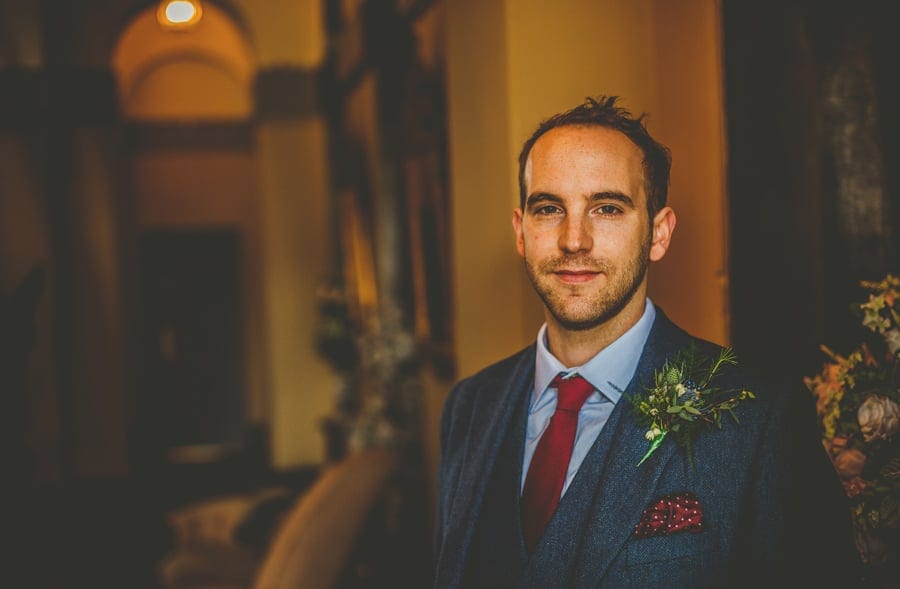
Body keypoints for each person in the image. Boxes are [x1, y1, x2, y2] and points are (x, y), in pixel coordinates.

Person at [433, 96, 859, 588]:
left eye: (608, 208)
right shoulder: (468, 408)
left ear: (658, 234)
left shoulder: (760, 418)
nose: (574, 239)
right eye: (549, 209)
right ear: (521, 232)